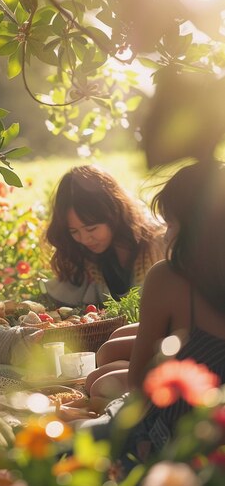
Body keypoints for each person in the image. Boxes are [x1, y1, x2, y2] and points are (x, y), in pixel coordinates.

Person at [67, 160, 225, 462]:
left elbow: (140, 382)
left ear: (197, 226)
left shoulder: (168, 277)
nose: (164, 235)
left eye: (171, 223)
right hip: (214, 449)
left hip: (167, 443)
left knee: (68, 441)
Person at [44, 165, 165, 307]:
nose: (84, 239)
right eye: (74, 231)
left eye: (91, 229)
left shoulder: (158, 244)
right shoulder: (82, 255)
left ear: (114, 213)